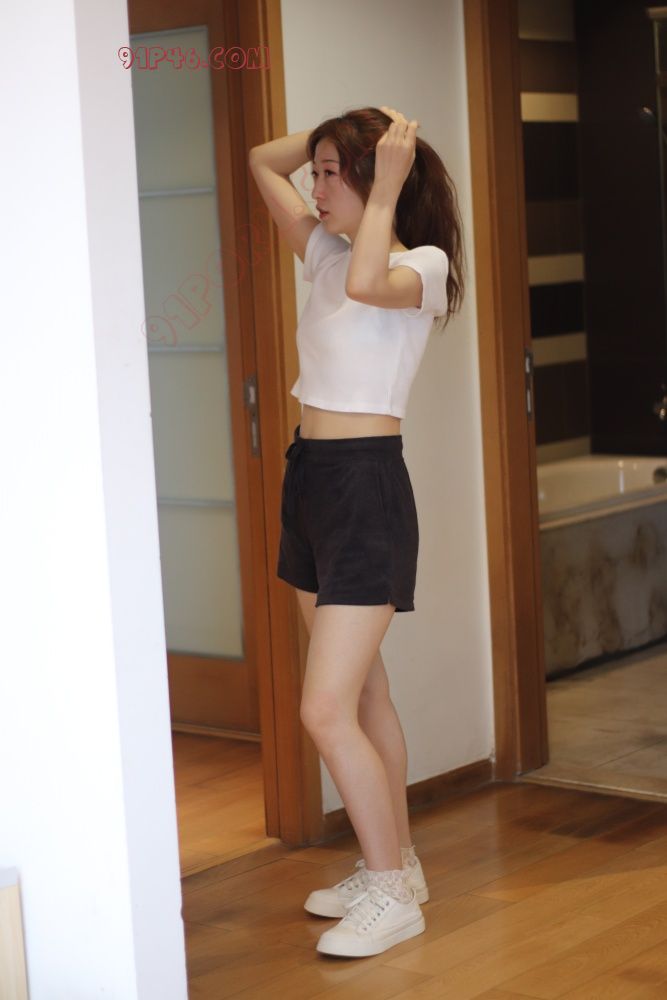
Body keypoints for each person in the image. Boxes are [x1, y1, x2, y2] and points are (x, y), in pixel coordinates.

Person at [248, 105, 464, 958]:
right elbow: (260, 163)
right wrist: (332, 135)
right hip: (310, 480)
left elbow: (373, 284)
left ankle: (390, 894)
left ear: (380, 181)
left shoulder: (422, 265)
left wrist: (384, 179)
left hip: (367, 489)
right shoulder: (328, 255)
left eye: (333, 173)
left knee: (324, 706)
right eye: (319, 171)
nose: (315, 186)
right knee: (364, 694)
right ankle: (395, 863)